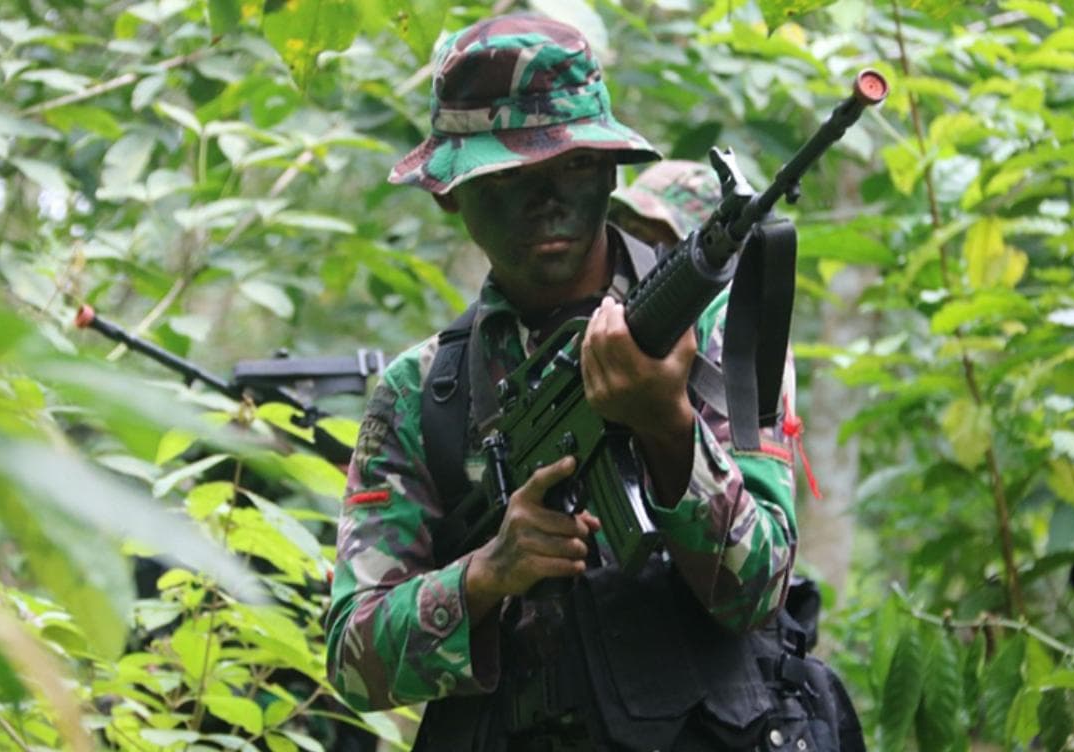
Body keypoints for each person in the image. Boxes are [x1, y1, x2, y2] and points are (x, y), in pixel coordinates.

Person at [326, 14, 813, 751]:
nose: (545, 199)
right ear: (449, 194)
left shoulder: (709, 335)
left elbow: (760, 590)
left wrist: (667, 429)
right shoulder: (423, 392)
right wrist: (488, 573)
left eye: (573, 167)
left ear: (611, 171)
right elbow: (354, 662)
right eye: (506, 177)